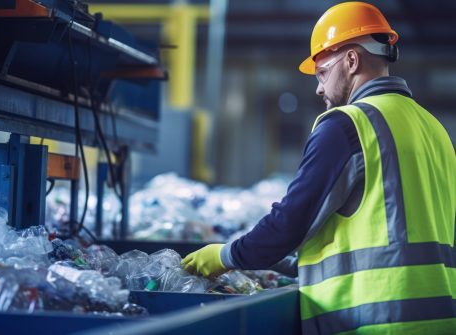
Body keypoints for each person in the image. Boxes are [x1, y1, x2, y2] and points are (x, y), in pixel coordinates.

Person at [181, 2, 456, 334]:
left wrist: (226, 255)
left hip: (375, 321)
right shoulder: (435, 129)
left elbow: (290, 223)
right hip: (440, 319)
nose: (319, 87)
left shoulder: (348, 125)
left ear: (352, 60)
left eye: (322, 72)